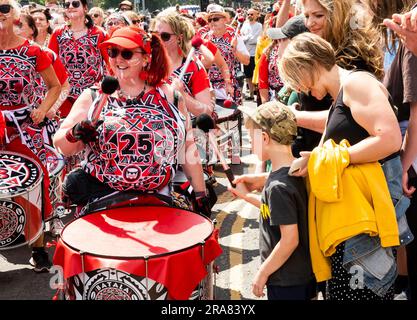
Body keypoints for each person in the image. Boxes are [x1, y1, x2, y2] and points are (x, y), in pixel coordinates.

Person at [279, 32, 402, 300]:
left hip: (363, 221)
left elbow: (391, 139)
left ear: (308, 65)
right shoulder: (344, 91)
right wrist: (316, 159)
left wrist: (334, 158)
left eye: (296, 79)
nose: (300, 88)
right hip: (356, 220)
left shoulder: (356, 84)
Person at [53, 26, 211, 217]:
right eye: (112, 52)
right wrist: (75, 133)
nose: (118, 59)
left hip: (158, 199)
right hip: (101, 200)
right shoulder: (93, 96)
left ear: (146, 58)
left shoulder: (171, 97)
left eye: (126, 53)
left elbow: (187, 148)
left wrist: (201, 194)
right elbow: (62, 146)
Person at [228, 101, 315, 300]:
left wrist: (262, 273)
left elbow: (289, 239)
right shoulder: (294, 172)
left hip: (287, 280)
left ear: (265, 138)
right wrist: (246, 196)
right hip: (299, 276)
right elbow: (277, 211)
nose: (250, 143)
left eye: (251, 138)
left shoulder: (278, 187)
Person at [0, 0, 61, 272]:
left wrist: (42, 109)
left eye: (4, 8)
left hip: (25, 129)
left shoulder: (33, 51)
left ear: (14, 14)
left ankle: (37, 247)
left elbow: (54, 86)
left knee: (30, 184)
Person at [48, 0, 109, 118]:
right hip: (64, 96)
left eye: (75, 4)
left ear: (85, 8)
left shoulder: (99, 34)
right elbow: (50, 64)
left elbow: (110, 64)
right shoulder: (58, 33)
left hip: (92, 95)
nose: (70, 7)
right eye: (67, 5)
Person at [154, 11, 213, 116]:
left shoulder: (193, 67)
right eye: (154, 35)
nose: (158, 41)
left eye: (165, 36)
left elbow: (207, 112)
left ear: (179, 38)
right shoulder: (145, 63)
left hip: (185, 129)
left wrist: (183, 96)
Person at [240, 8, 263, 100]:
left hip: (254, 54)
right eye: (248, 14)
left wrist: (246, 39)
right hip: (246, 54)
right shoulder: (245, 25)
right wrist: (247, 38)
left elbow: (256, 39)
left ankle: (258, 93)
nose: (249, 16)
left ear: (257, 15)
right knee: (248, 75)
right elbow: (241, 38)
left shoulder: (259, 26)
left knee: (255, 75)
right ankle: (251, 94)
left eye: (252, 14)